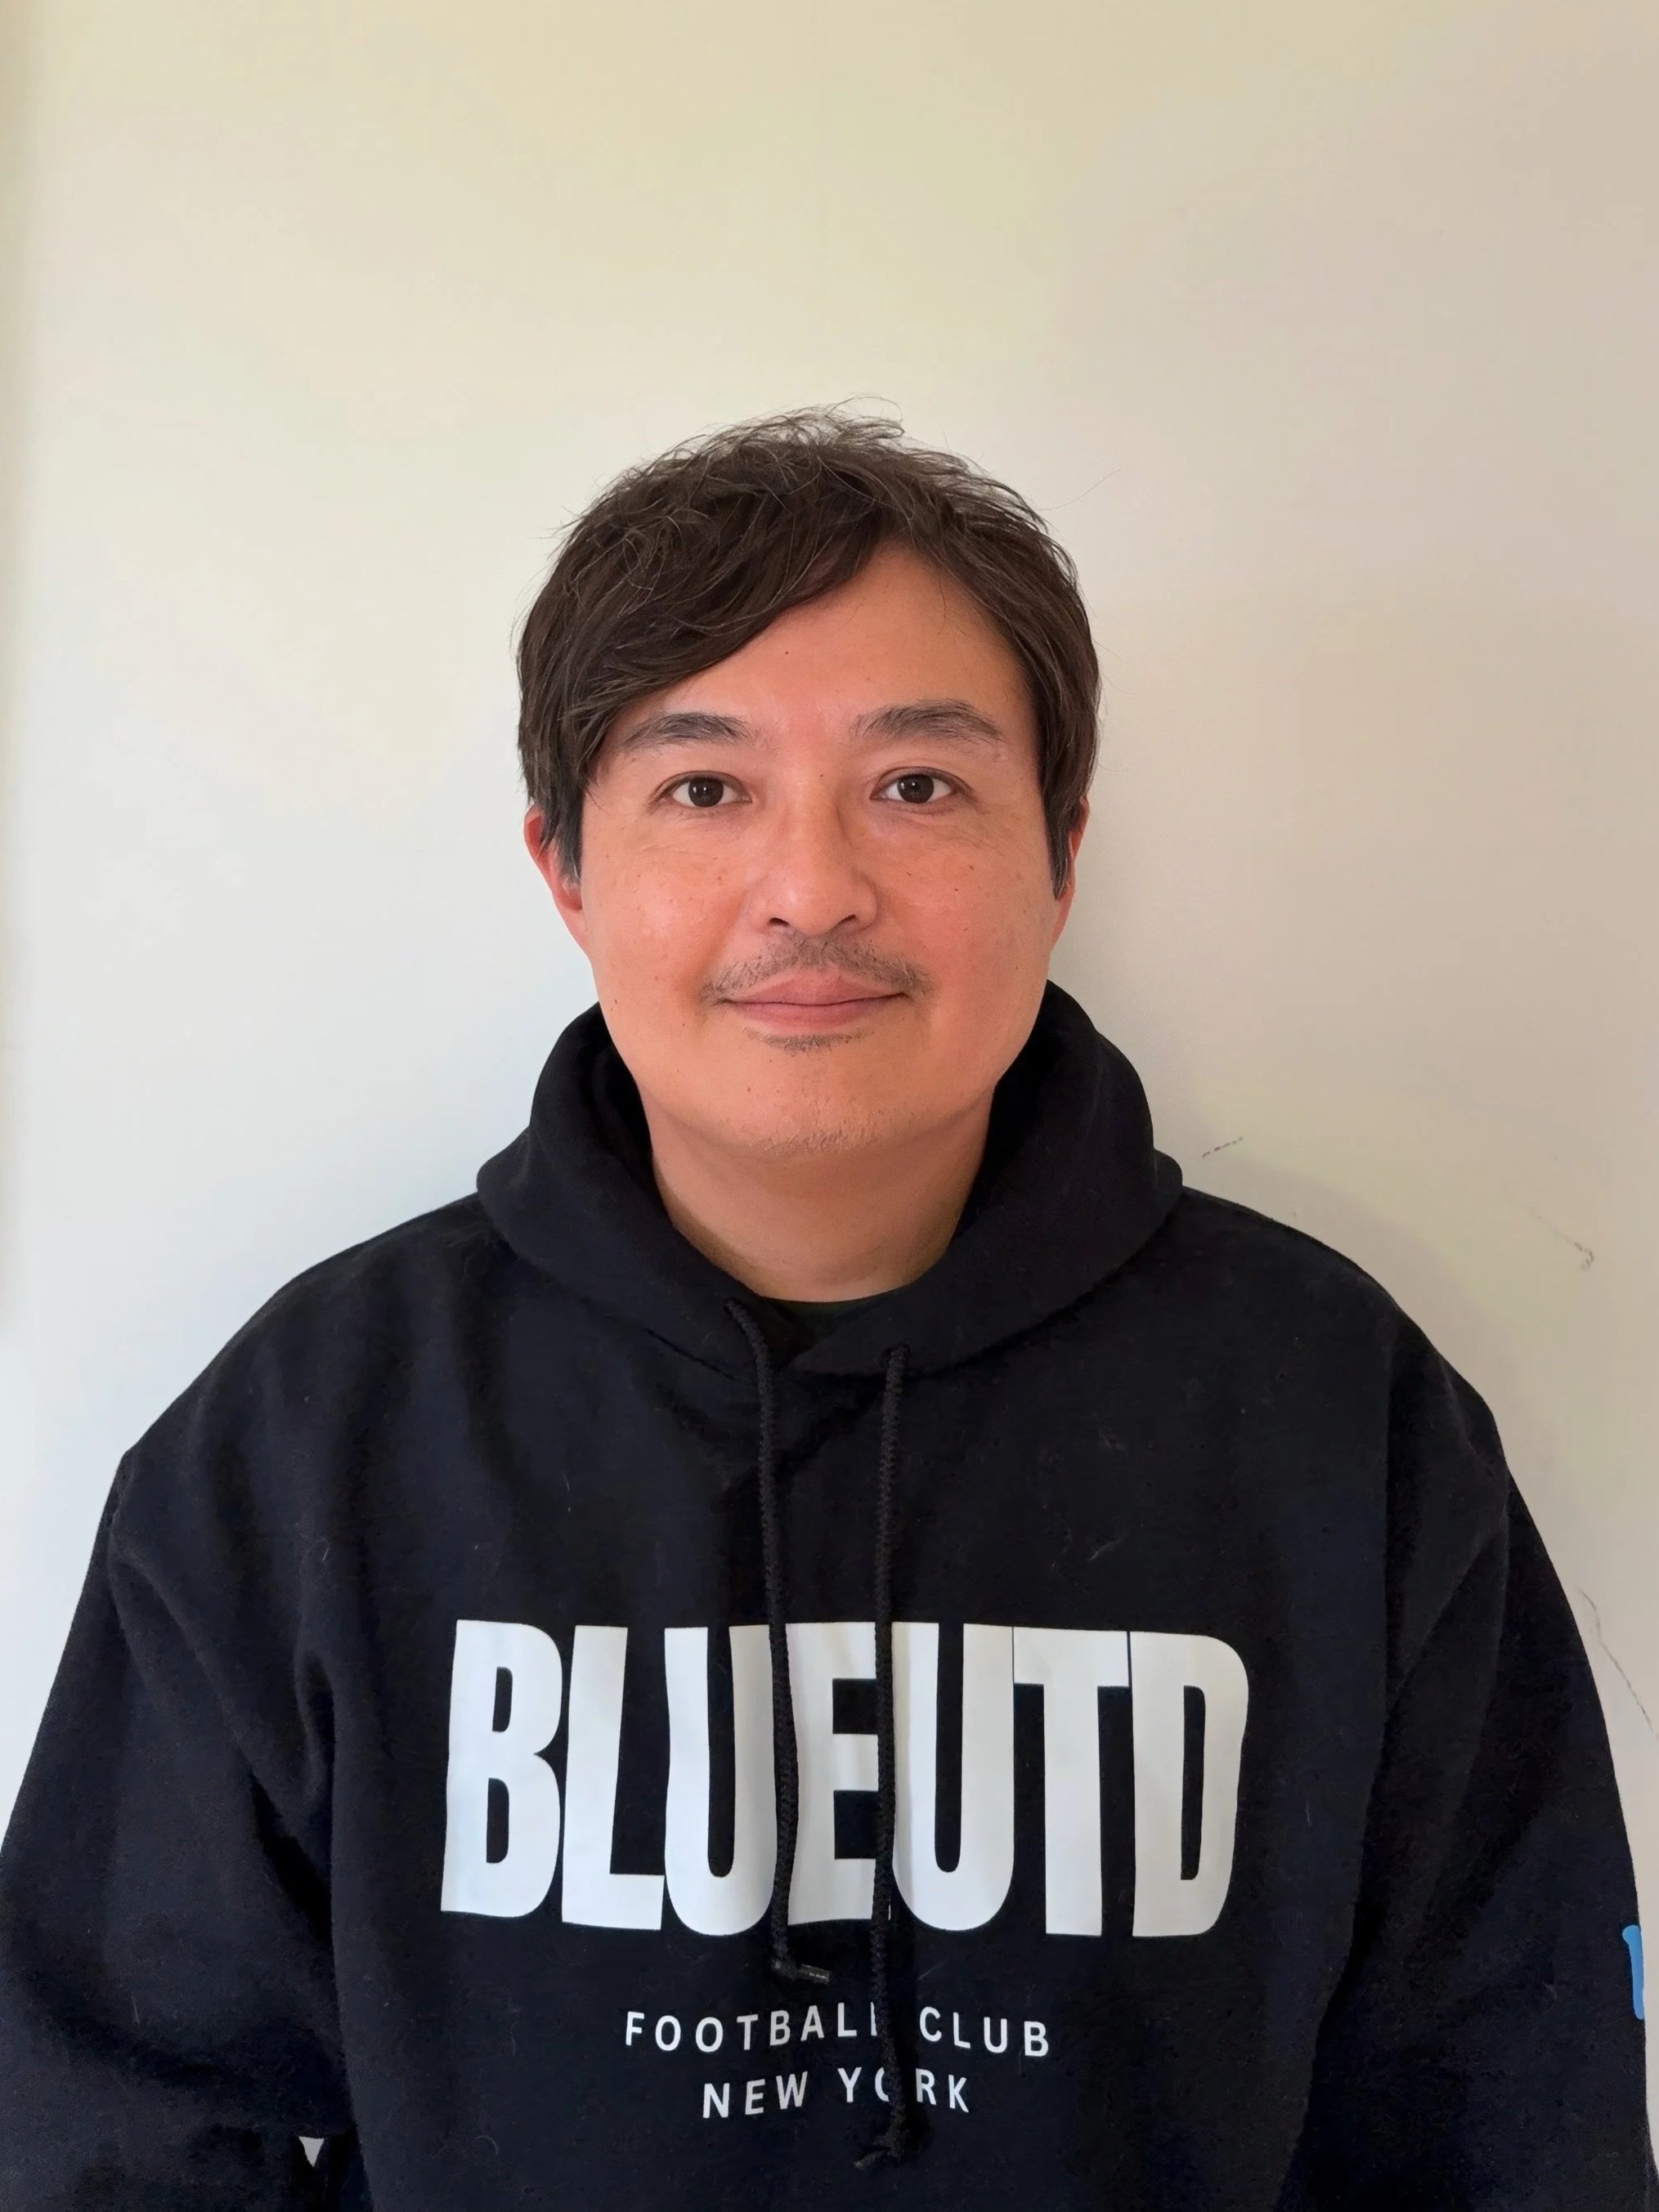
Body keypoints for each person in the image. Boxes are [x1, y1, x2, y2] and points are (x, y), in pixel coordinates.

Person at [0, 408, 1650, 2210]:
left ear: (1061, 853)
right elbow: (104, 2126)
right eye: (704, 788)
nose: (813, 891)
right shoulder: (314, 1436)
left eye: (918, 785)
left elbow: (1510, 2124)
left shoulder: (1341, 1418)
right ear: (564, 867)